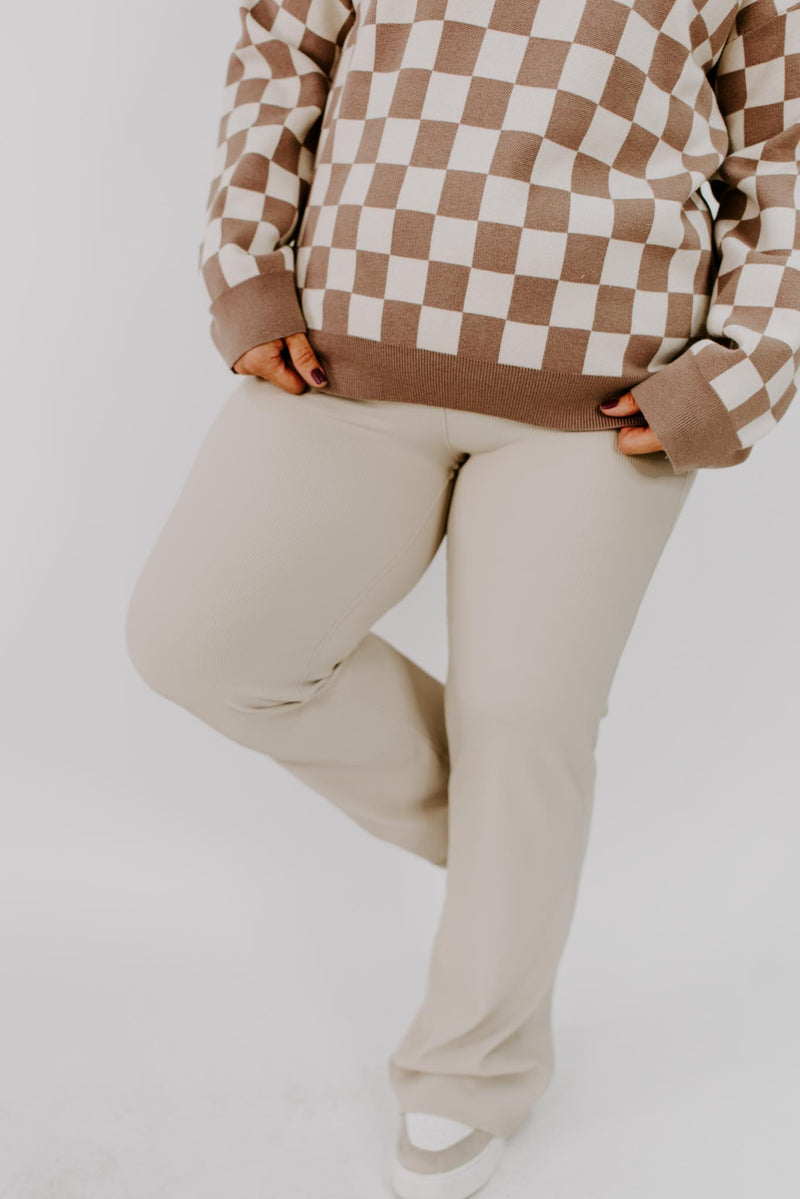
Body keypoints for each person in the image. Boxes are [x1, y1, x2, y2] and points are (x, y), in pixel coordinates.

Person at [125, 1, 800, 1195]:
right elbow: (283, 52)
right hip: (337, 366)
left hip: (602, 409)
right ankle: (516, 857)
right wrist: (246, 274)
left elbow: (782, 158)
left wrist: (737, 374)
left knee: (523, 720)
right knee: (199, 641)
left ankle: (473, 1066)